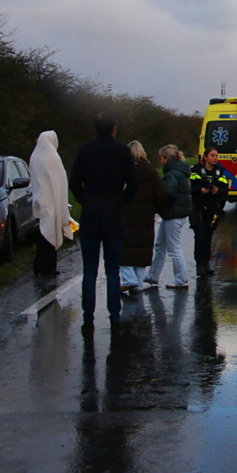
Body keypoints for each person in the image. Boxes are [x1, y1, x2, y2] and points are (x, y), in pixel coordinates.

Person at [70, 112, 138, 334]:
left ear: (94, 129)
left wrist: (85, 200)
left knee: (89, 270)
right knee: (112, 270)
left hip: (90, 215)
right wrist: (121, 202)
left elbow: (74, 183)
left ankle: (88, 317)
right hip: (114, 216)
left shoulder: (84, 151)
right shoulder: (123, 152)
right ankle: (114, 316)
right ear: (114, 129)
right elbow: (133, 184)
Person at [143, 145, 192, 289]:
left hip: (173, 214)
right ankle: (152, 276)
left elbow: (168, 194)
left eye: (161, 158)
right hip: (174, 213)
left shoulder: (172, 174)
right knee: (160, 245)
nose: (160, 161)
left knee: (173, 247)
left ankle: (181, 278)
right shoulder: (180, 171)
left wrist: (155, 200)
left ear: (166, 158)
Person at [120, 141, 165, 292]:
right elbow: (161, 195)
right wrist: (155, 209)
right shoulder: (151, 172)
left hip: (126, 214)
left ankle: (129, 279)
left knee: (124, 248)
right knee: (142, 250)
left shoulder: (122, 171)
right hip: (145, 216)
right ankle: (137, 283)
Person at [29, 130, 74, 276]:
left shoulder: (35, 156)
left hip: (41, 199)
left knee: (44, 233)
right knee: (50, 233)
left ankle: (41, 264)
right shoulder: (52, 157)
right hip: (51, 200)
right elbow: (59, 179)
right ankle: (48, 267)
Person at [189, 147, 229, 276]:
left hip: (212, 208)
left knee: (208, 237)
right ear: (205, 157)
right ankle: (199, 265)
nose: (215, 158)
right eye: (212, 155)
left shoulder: (220, 171)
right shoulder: (195, 170)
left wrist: (218, 191)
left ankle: (206, 264)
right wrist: (200, 190)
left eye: (216, 155)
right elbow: (190, 188)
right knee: (199, 236)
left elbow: (225, 190)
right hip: (198, 208)